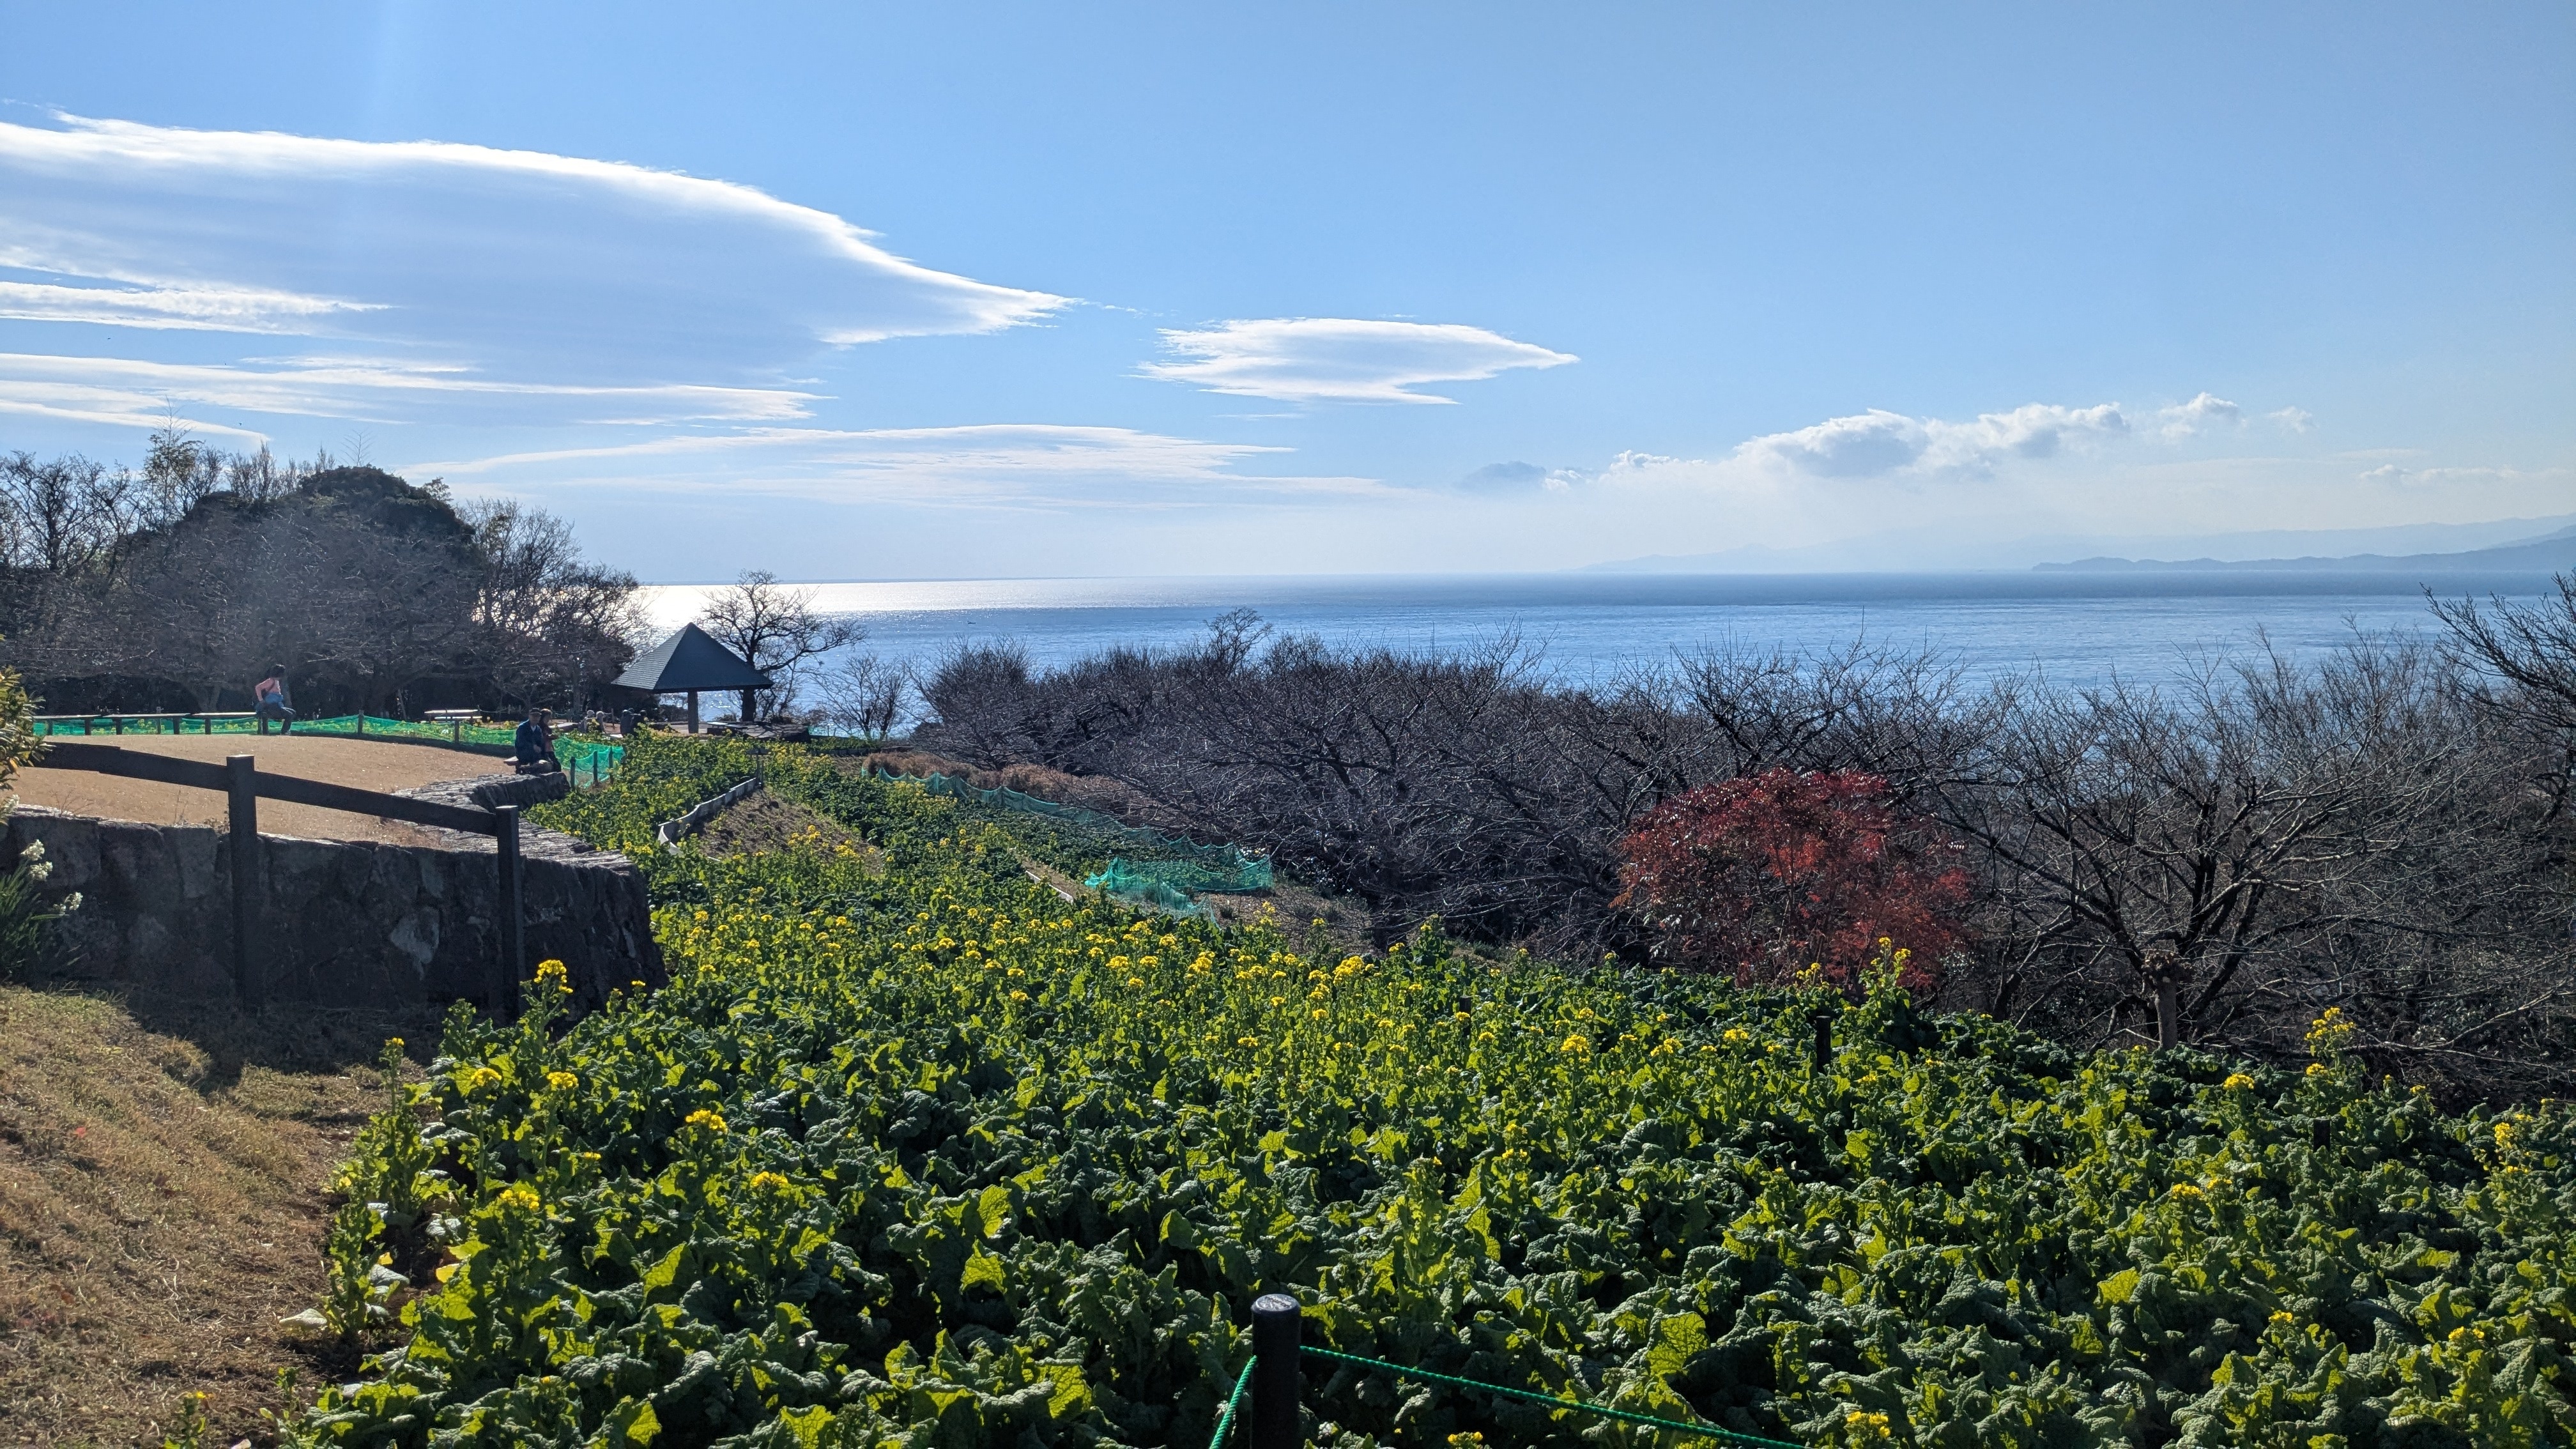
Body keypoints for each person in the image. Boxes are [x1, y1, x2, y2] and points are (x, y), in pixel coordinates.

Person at [511, 705, 560, 774]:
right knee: (543, 765)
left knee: (551, 766)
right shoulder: (522, 728)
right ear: (529, 716)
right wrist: (532, 746)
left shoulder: (538, 729)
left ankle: (527, 769)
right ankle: (528, 769)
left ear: (540, 718)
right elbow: (520, 742)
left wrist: (545, 755)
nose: (535, 718)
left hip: (536, 755)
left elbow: (541, 743)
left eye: (537, 716)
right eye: (533, 716)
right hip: (523, 753)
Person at [254, 665, 295, 735]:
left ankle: (285, 731)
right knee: (290, 715)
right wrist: (261, 700)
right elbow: (258, 687)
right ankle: (284, 732)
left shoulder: (276, 681)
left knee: (293, 712)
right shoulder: (271, 681)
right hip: (271, 705)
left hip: (276, 704)